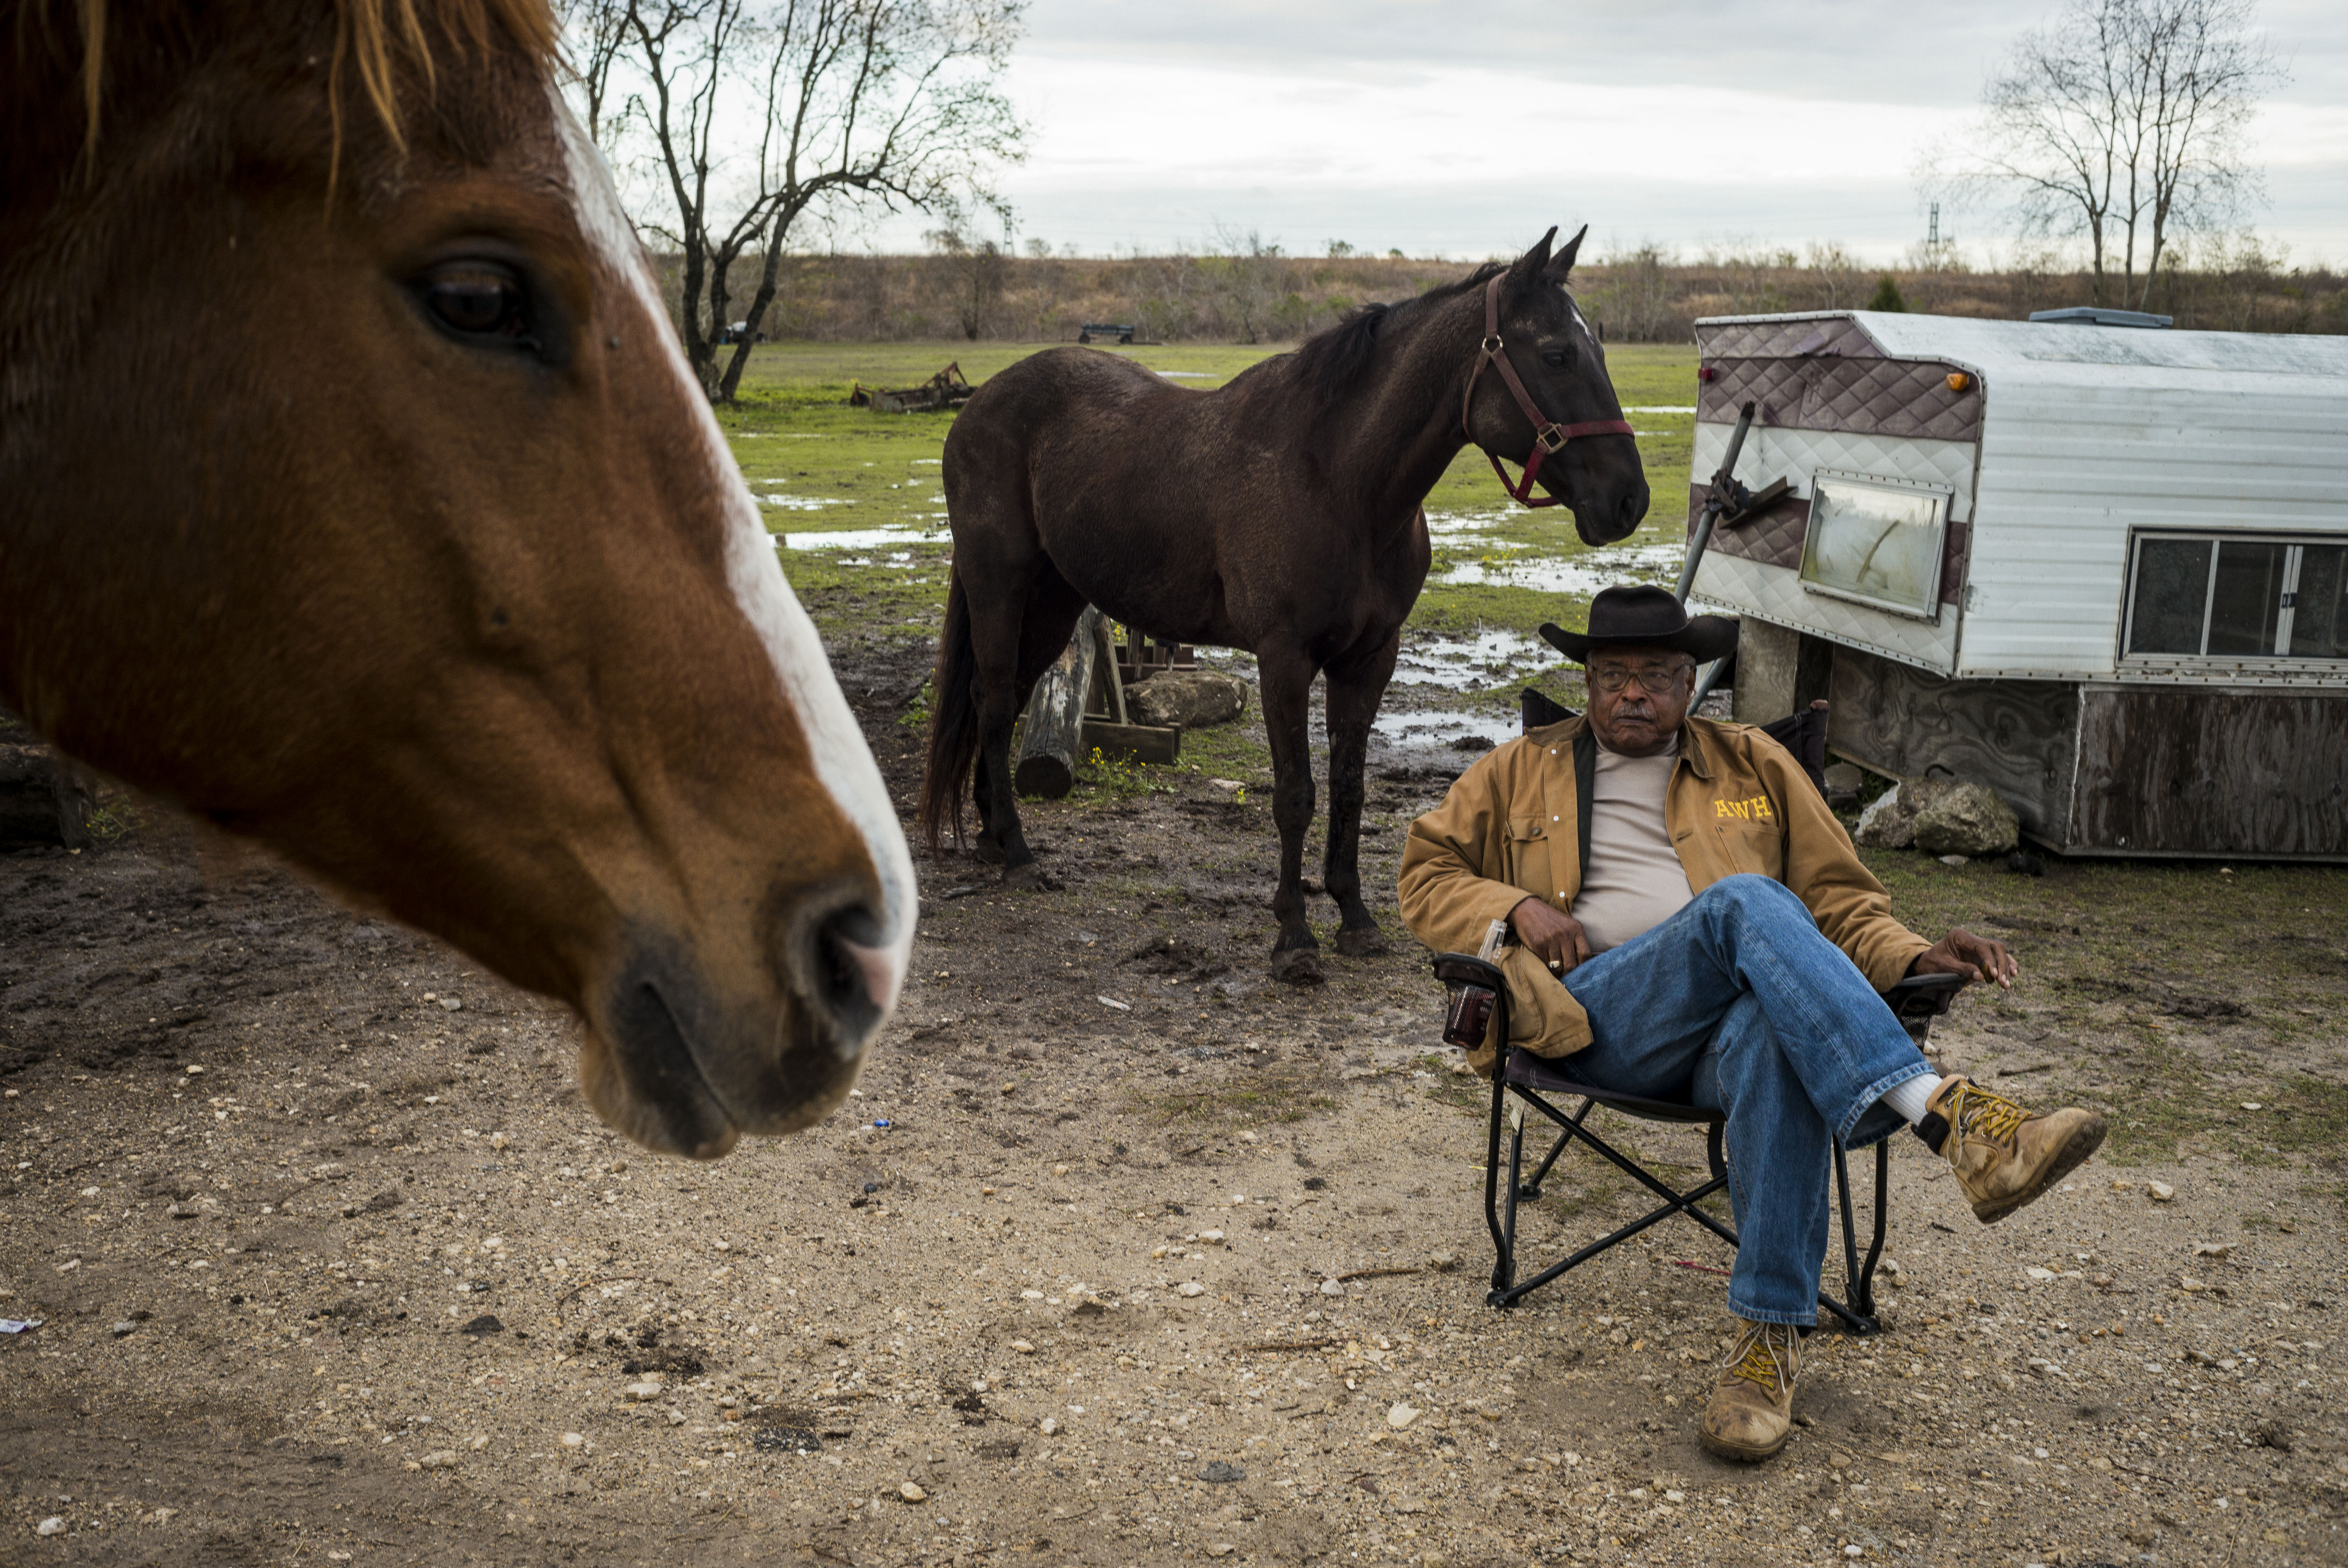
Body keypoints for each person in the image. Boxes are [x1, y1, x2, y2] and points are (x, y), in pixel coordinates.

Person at [1397, 584, 2106, 1464]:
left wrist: (1917, 955)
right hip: (1597, 1021)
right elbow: (1424, 874)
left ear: (1690, 680)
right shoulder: (1519, 767)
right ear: (1586, 681)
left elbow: (1842, 906)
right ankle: (1951, 1117)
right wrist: (1514, 907)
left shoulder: (1758, 765)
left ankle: (1763, 1349)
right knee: (1743, 903)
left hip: (1728, 1041)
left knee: (1778, 1033)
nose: (1632, 693)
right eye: (1613, 674)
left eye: (1655, 675)